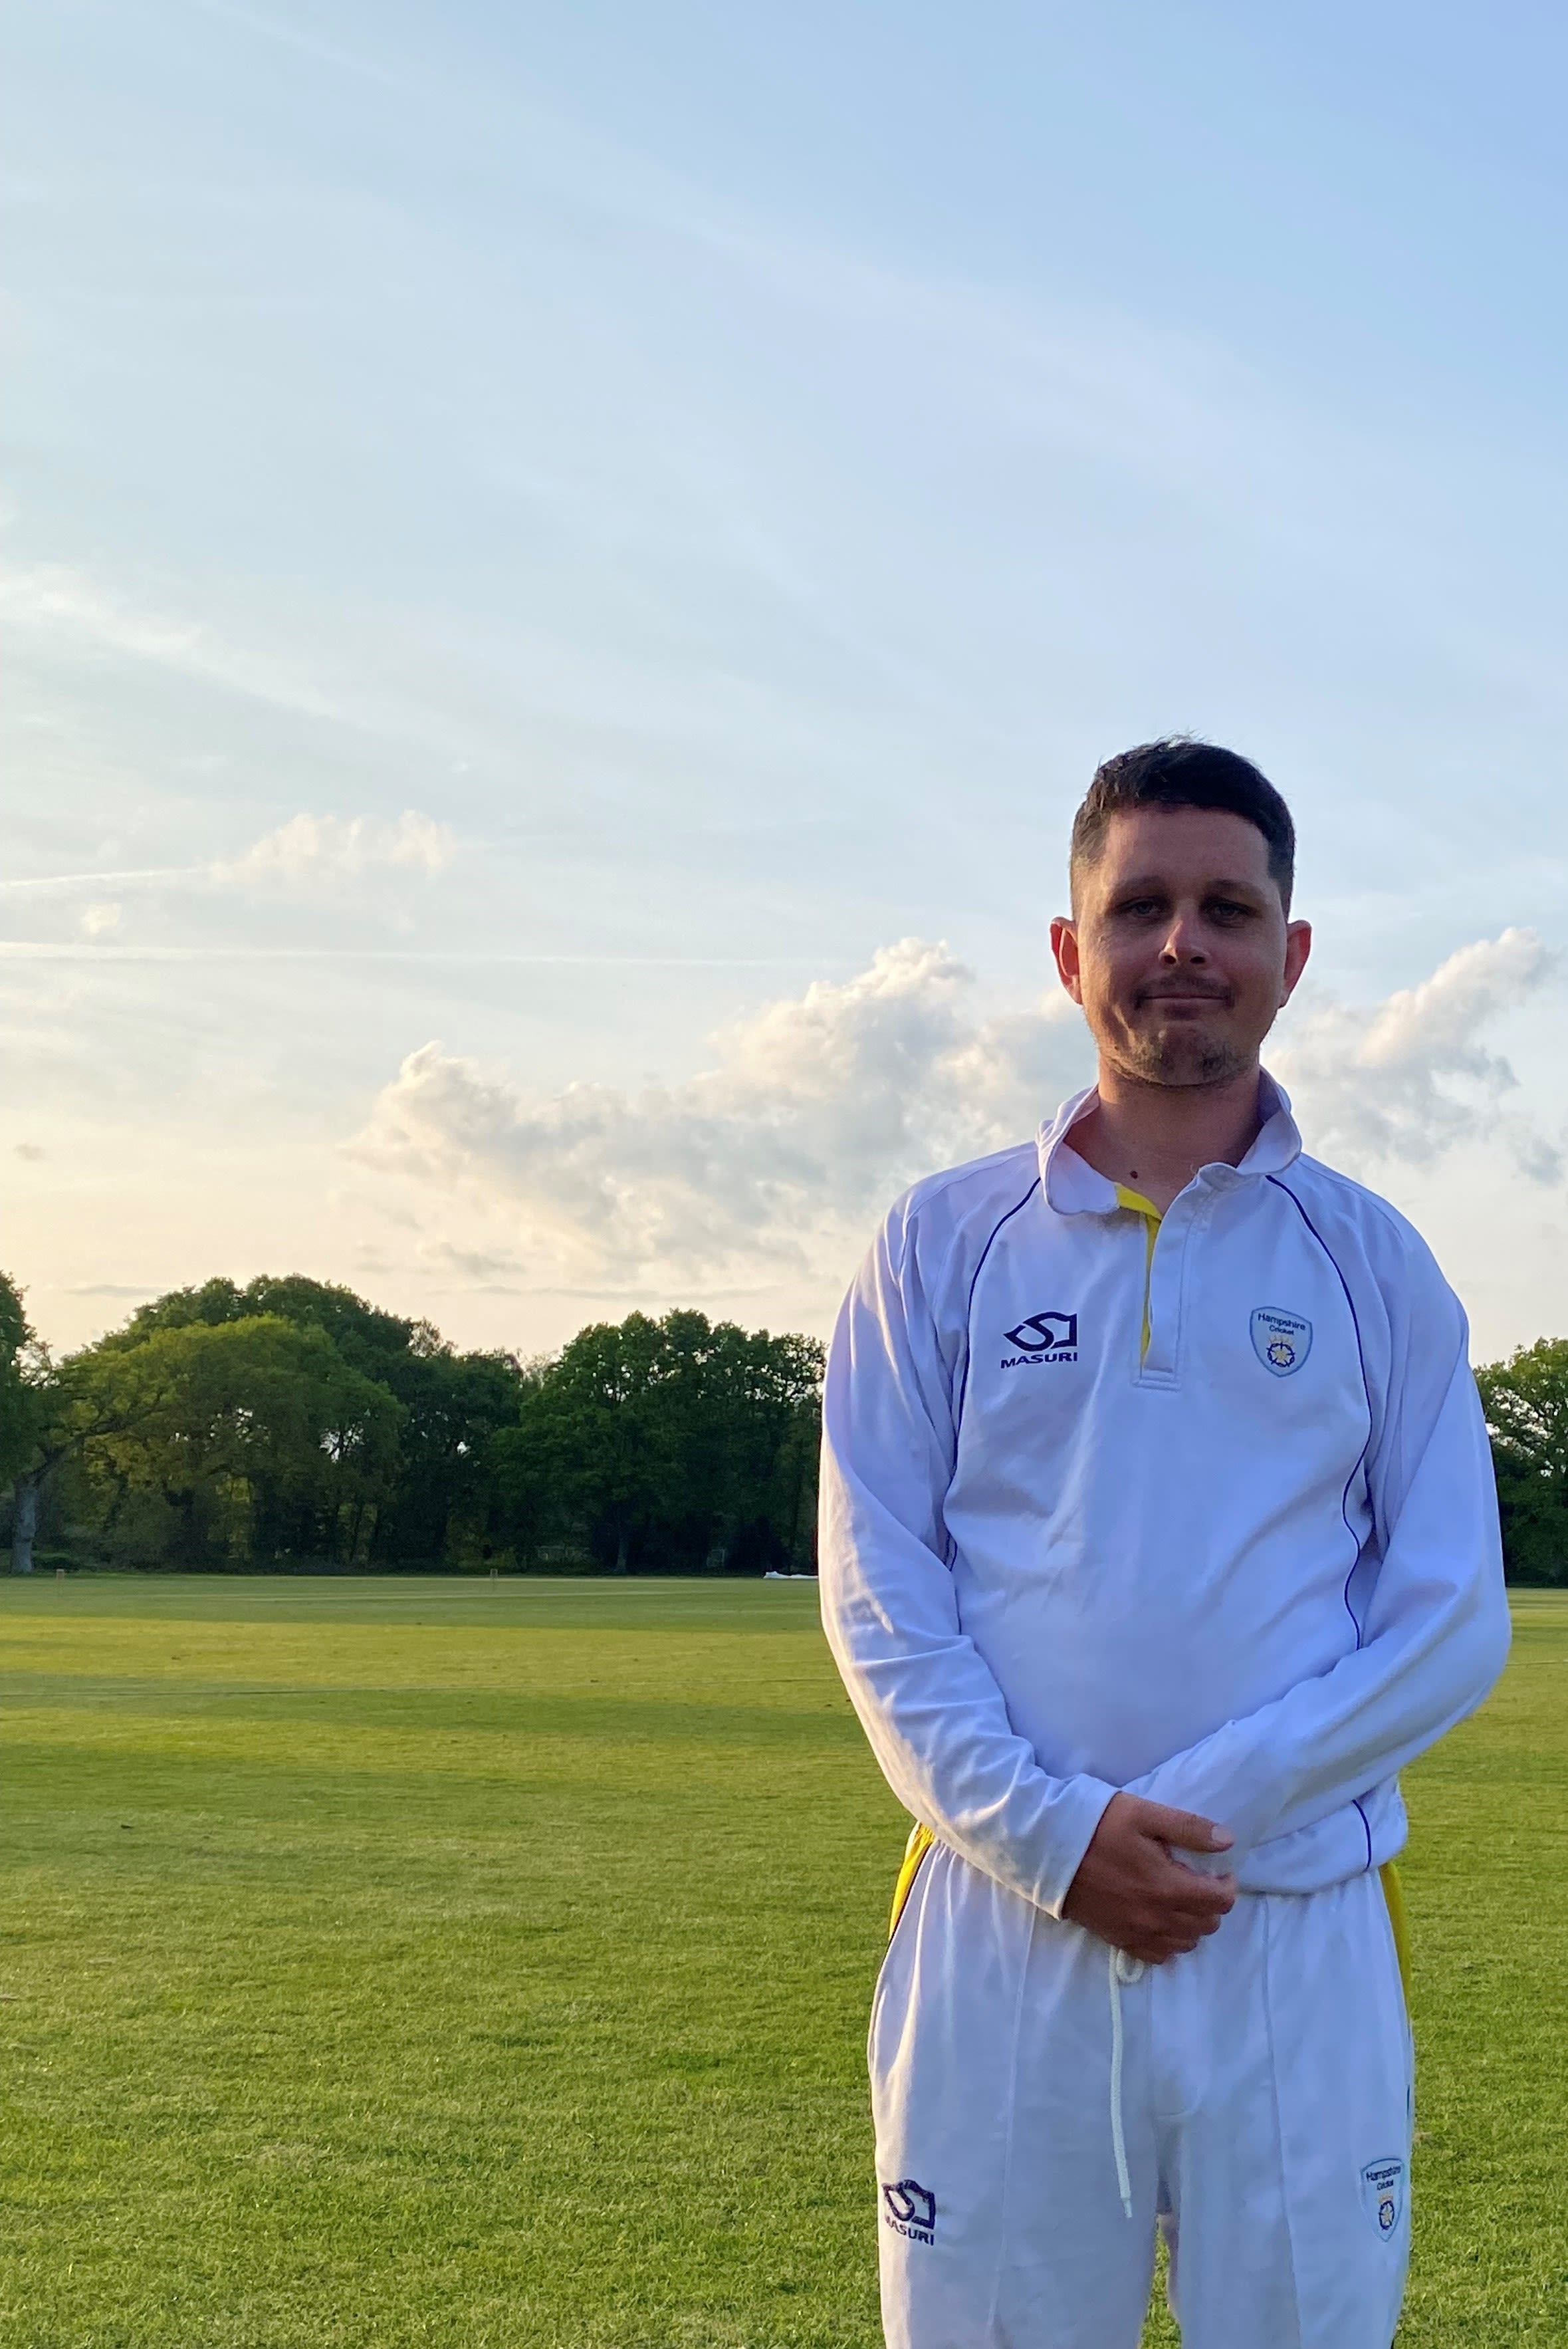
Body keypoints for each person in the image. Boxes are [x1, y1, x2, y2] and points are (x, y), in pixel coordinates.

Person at [818, 738, 1511, 2349]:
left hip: (1284, 1923)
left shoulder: (1375, 1263)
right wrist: (1057, 1839)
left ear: (1292, 953)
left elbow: (1448, 1617)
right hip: (1005, 1929)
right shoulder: (938, 1242)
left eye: (1226, 906)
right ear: (1070, 950)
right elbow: (880, 1600)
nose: (1181, 943)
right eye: (1138, 907)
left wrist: (1183, 1828)